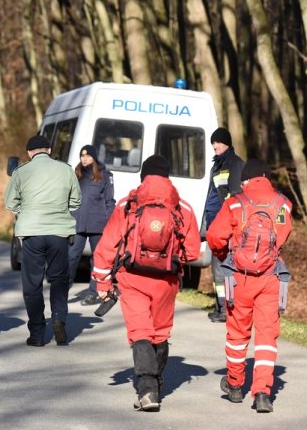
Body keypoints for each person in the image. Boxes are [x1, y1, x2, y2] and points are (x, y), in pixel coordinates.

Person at [92, 155, 201, 411]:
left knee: (140, 332)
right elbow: (194, 251)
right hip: (166, 282)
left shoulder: (128, 204)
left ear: (144, 176)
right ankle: (157, 382)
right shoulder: (182, 208)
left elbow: (107, 244)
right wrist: (170, 258)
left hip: (132, 279)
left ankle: (148, 389)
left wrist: (103, 283)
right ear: (168, 176)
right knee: (160, 333)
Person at [206, 159, 292, 413]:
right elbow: (284, 235)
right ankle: (263, 393)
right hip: (270, 278)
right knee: (266, 336)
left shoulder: (235, 202)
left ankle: (234, 386)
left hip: (240, 278)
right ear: (265, 177)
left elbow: (214, 236)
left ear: (245, 180)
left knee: (237, 333)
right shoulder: (283, 204)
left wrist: (226, 255)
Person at [4, 135, 81, 346]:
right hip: (59, 232)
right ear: (49, 149)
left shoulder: (21, 172)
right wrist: (62, 211)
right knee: (59, 279)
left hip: (31, 232)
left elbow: (10, 203)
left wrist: (27, 212)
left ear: (29, 153)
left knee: (32, 284)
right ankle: (58, 319)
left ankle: (37, 333)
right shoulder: (66, 170)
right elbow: (76, 201)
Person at [204, 127, 245, 323]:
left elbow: (237, 197)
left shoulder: (235, 164)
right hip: (215, 226)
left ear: (228, 143)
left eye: (219, 142)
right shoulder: (217, 165)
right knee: (217, 269)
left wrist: (231, 225)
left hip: (227, 226)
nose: (215, 145)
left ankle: (229, 309)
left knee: (226, 269)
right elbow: (213, 195)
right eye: (213, 142)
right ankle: (221, 306)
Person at [68, 144, 115, 305]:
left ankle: (93, 292)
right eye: (82, 156)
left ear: (94, 158)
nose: (84, 159)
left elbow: (110, 202)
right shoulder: (75, 174)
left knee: (97, 260)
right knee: (71, 257)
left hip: (98, 224)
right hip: (77, 223)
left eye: (88, 156)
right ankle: (63, 289)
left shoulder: (104, 176)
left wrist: (110, 224)